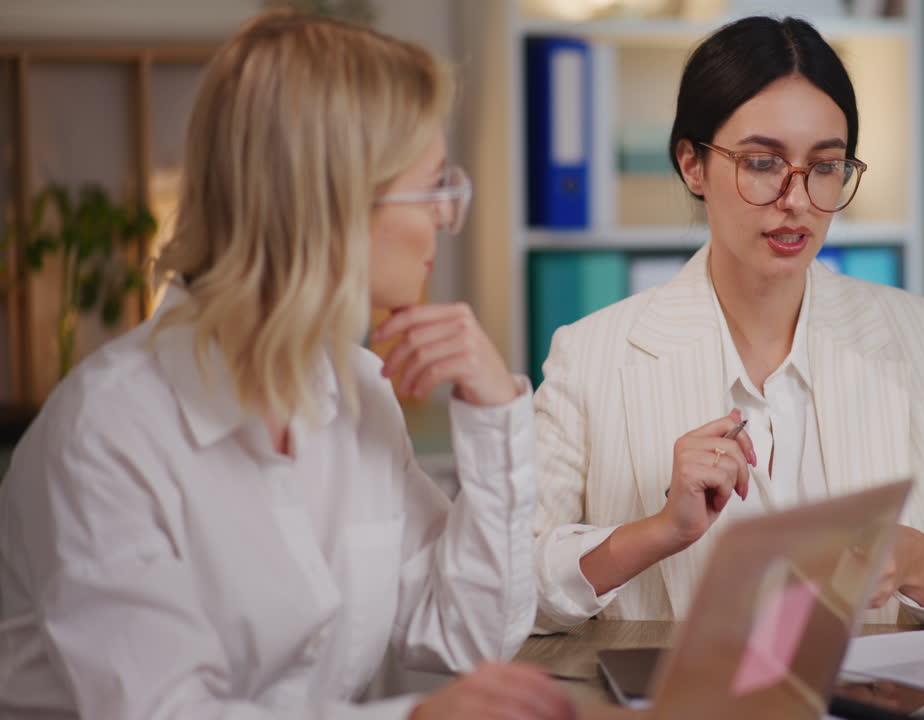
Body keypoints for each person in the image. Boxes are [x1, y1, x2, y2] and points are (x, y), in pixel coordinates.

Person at [0, 12, 573, 720]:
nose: (446, 217)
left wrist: (495, 413)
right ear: (334, 204)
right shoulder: (108, 431)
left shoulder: (358, 392)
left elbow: (468, 631)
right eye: (432, 188)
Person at [533, 16, 924, 631]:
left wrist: (911, 557)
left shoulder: (921, 336)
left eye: (825, 166)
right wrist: (658, 531)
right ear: (692, 165)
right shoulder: (591, 355)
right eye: (762, 162)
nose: (796, 199)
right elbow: (509, 594)